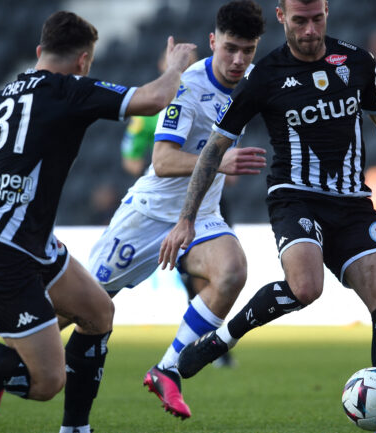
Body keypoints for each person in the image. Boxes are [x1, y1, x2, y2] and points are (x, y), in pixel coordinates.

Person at [0, 11, 196, 433]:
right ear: (84, 61)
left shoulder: (1, 97)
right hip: (0, 253)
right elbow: (155, 98)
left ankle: (75, 429)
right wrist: (175, 66)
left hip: (25, 242)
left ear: (40, 51)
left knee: (98, 312)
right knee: (46, 381)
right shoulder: (71, 89)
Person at [160, 1, 376, 432]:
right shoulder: (264, 76)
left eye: (317, 19)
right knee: (306, 288)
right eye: (300, 21)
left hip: (351, 203)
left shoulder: (359, 63)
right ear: (280, 17)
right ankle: (223, 339)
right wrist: (186, 218)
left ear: (327, 12)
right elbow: (215, 147)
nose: (310, 31)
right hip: (295, 198)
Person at [86, 0, 266, 420]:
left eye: (248, 51)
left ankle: (167, 369)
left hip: (201, 213)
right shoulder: (189, 85)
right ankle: (2, 364)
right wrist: (218, 161)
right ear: (212, 42)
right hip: (149, 215)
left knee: (233, 271)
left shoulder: (253, 80)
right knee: (80, 308)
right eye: (230, 49)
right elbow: (163, 161)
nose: (238, 60)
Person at [120, 47, 199, 177]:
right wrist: (156, 172)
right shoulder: (146, 110)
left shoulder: (214, 101)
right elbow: (130, 160)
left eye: (188, 64)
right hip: (167, 183)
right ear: (161, 65)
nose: (183, 69)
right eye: (176, 64)